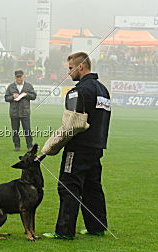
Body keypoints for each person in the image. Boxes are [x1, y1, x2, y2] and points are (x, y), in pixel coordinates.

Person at [43, 52, 111, 240]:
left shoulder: (78, 91)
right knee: (92, 187)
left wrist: (51, 147)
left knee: (68, 185)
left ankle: (64, 231)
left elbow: (72, 125)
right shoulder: (103, 90)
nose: (69, 72)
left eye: (70, 68)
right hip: (97, 146)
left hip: (78, 147)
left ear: (80, 67)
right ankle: (96, 227)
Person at [4, 70, 37, 151]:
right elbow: (6, 98)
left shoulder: (28, 86)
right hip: (14, 113)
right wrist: (12, 96)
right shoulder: (11, 86)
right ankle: (17, 146)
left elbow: (34, 96)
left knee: (27, 130)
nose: (19, 78)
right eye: (17, 77)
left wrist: (26, 95)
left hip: (25, 112)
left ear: (23, 76)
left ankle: (30, 146)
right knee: (15, 131)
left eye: (20, 76)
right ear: (15, 77)